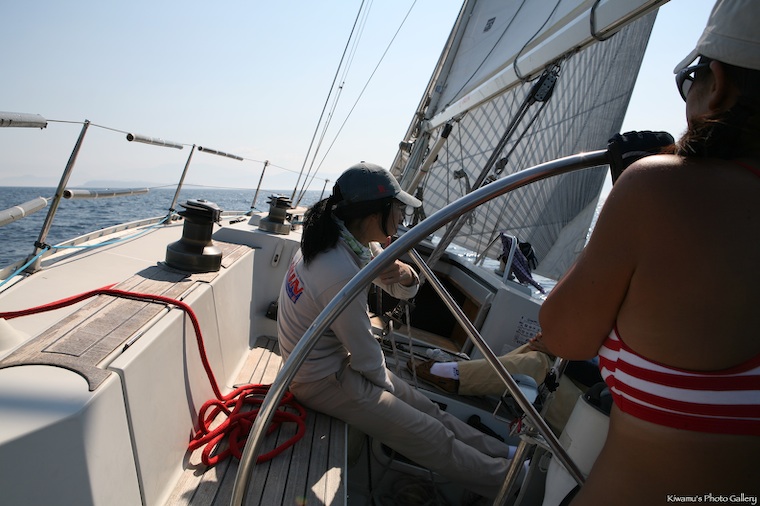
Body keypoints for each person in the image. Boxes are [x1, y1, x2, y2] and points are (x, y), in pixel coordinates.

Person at [538, 1, 760, 504]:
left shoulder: (655, 191)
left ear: (719, 82)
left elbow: (564, 334)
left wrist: (631, 192)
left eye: (692, 79)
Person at [277, 162, 516, 499]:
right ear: (376, 213)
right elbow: (365, 355)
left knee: (429, 409)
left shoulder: (347, 241)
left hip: (330, 366)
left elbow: (399, 289)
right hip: (319, 381)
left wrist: (405, 273)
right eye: (398, 208)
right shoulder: (338, 270)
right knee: (428, 432)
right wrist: (392, 395)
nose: (402, 216)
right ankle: (516, 484)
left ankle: (505, 453)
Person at [409, 335, 596, 435]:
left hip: (591, 427)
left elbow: (600, 380)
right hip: (591, 403)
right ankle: (472, 377)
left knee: (539, 364)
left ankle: (456, 377)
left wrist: (560, 352)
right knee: (537, 350)